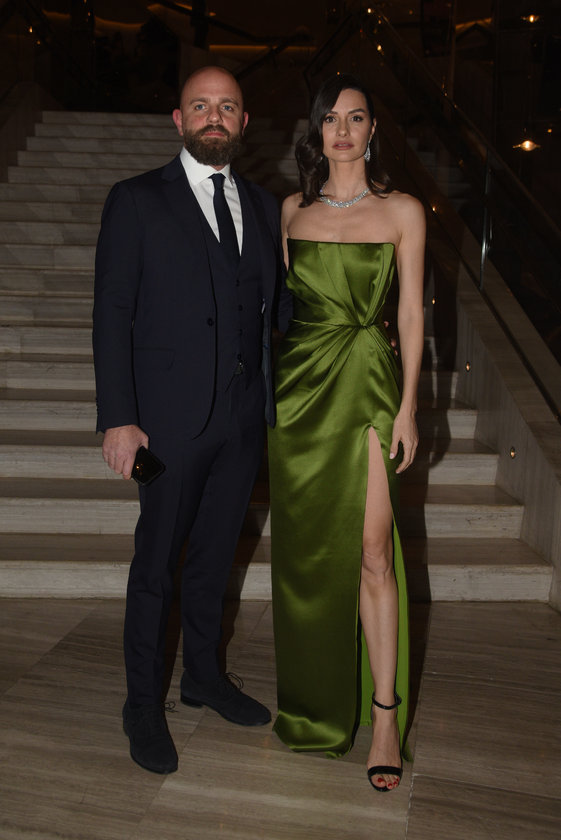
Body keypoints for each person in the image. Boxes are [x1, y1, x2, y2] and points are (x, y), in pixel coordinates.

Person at [93, 65, 290, 775]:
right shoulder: (136, 200)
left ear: (243, 122)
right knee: (156, 564)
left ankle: (203, 676)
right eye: (200, 106)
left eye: (227, 106)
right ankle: (142, 704)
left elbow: (278, 310)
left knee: (214, 558)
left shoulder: (265, 206)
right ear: (178, 120)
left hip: (241, 419)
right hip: (166, 424)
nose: (214, 117)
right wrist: (119, 418)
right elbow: (112, 312)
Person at [268, 73, 425, 792]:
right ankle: (313, 705)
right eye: (329, 118)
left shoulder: (402, 210)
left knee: (371, 551)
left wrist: (408, 407)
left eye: (355, 118)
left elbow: (412, 315)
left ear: (372, 130)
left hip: (369, 381)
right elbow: (284, 311)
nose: (342, 130)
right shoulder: (289, 210)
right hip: (300, 394)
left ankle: (384, 715)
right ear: (316, 130)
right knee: (307, 557)